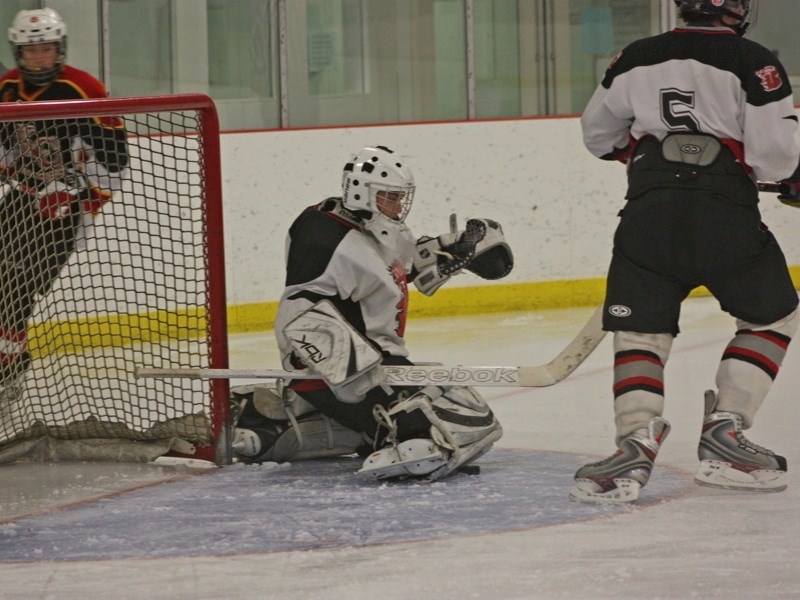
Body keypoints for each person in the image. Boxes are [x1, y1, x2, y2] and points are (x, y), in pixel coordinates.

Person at [569, 0, 800, 504]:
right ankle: (726, 433)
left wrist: (651, 153)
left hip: (648, 213)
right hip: (724, 216)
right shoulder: (755, 61)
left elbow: (598, 136)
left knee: (639, 333)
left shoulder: (634, 55)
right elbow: (776, 155)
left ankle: (633, 444)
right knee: (773, 316)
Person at [230, 144, 514, 481]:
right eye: (389, 197)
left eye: (400, 197)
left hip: (380, 364)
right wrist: (366, 383)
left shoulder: (376, 228)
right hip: (339, 375)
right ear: (362, 193)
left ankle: (283, 424)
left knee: (469, 413)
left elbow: (400, 267)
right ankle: (372, 430)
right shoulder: (324, 237)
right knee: (456, 424)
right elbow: (299, 317)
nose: (397, 206)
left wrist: (453, 251)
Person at [0, 8, 129, 402]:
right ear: (17, 52)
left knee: (18, 288)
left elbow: (115, 161)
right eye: (30, 51)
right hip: (21, 198)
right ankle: (12, 360)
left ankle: (8, 373)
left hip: (67, 208)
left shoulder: (84, 88)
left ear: (60, 49)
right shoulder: (5, 86)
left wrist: (86, 198)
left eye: (47, 49)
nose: (39, 58)